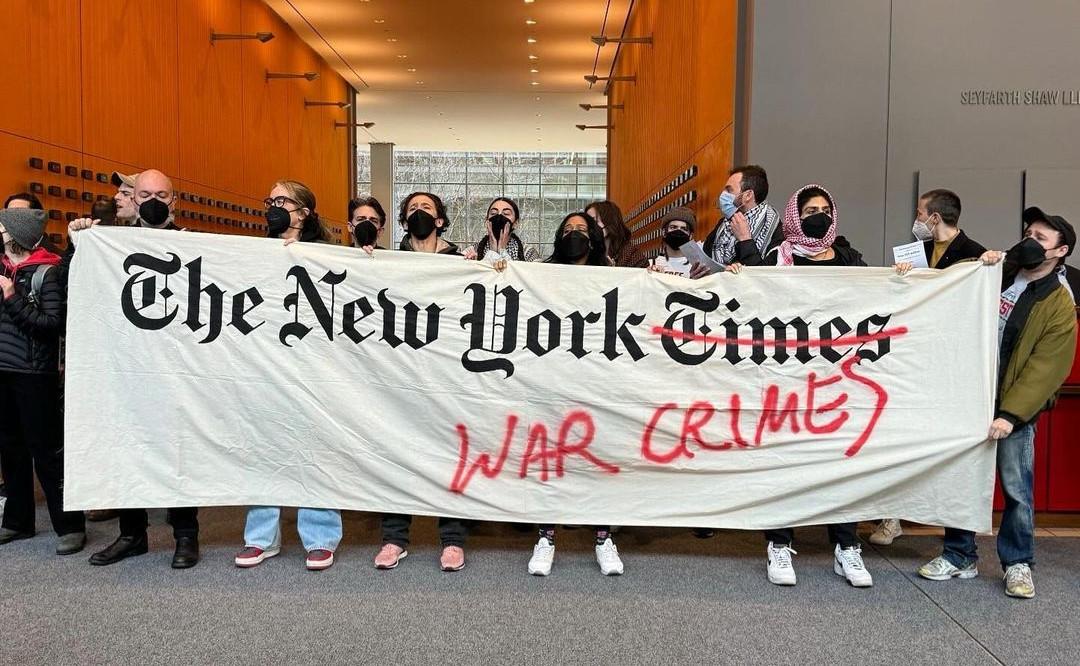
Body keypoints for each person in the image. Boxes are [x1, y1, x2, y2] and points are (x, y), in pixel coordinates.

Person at [918, 210, 1076, 599]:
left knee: (1016, 488)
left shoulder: (1059, 301)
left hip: (1012, 412)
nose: (1030, 242)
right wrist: (977, 266)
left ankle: (1018, 564)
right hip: (971, 399)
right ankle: (959, 555)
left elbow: (1047, 366)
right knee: (962, 480)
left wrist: (1010, 414)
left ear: (1061, 251)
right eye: (1028, 233)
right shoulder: (1001, 274)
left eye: (1040, 238)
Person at [737, 184, 872, 587]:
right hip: (789, 377)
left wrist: (900, 279)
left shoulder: (849, 257)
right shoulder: (781, 257)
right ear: (795, 215)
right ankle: (779, 544)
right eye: (810, 208)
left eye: (825, 208)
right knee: (787, 460)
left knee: (842, 463)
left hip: (837, 376)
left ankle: (847, 547)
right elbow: (755, 289)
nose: (819, 214)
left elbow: (878, 298)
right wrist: (743, 249)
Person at [83, 169, 200, 569]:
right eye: (145, 193)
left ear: (174, 200)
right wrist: (79, 241)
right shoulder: (108, 242)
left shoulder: (195, 245)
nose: (153, 200)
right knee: (127, 449)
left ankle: (186, 536)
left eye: (162, 194)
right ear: (132, 198)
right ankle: (132, 535)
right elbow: (73, 285)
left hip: (175, 369)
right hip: (126, 368)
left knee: (178, 453)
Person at [235, 180, 340, 571]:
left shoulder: (326, 255)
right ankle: (260, 538)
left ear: (304, 211)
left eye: (283, 200)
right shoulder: (254, 251)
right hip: (266, 366)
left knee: (316, 450)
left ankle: (320, 536)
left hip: (315, 369)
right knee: (264, 449)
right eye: (271, 200)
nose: (274, 206)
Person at [873, 189, 988, 546]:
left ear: (934, 217)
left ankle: (956, 534)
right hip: (914, 360)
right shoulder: (915, 254)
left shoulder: (975, 257)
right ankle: (891, 517)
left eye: (921, 212)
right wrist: (901, 278)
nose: (918, 219)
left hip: (951, 366)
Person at [527, 211, 623, 577]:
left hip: (598, 382)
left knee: (597, 461)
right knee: (551, 460)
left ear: (594, 237)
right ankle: (546, 536)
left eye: (581, 230)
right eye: (567, 230)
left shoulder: (613, 275)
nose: (574, 235)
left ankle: (603, 538)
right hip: (554, 380)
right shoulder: (544, 274)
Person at [0, 207, 85, 555]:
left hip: (34, 375)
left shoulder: (46, 272)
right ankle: (18, 522)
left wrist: (11, 297)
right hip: (3, 372)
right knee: (11, 450)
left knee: (46, 452)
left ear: (16, 234)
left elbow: (51, 325)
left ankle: (69, 526)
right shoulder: (3, 269)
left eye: (3, 229)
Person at [695, 165, 781, 277]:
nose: (723, 195)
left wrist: (745, 239)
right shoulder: (723, 223)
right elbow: (707, 260)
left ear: (748, 195)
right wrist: (698, 274)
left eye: (729, 190)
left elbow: (763, 279)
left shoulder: (775, 230)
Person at [464, 197, 539, 263]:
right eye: (493, 213)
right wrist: (473, 264)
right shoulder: (472, 250)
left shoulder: (528, 252)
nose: (499, 216)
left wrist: (502, 250)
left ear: (516, 223)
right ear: (486, 221)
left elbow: (535, 275)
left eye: (506, 214)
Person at [397, 192, 462, 255]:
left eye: (426, 207)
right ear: (406, 224)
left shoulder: (458, 259)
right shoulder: (395, 259)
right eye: (413, 209)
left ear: (439, 222)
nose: (418, 211)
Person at [585, 200, 647, 268]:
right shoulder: (586, 252)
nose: (589, 227)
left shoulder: (632, 255)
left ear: (609, 221)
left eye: (594, 221)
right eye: (587, 223)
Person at [647, 207, 697, 277]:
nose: (678, 231)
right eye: (673, 227)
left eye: (684, 229)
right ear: (664, 232)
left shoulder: (696, 267)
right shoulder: (650, 264)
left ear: (690, 236)